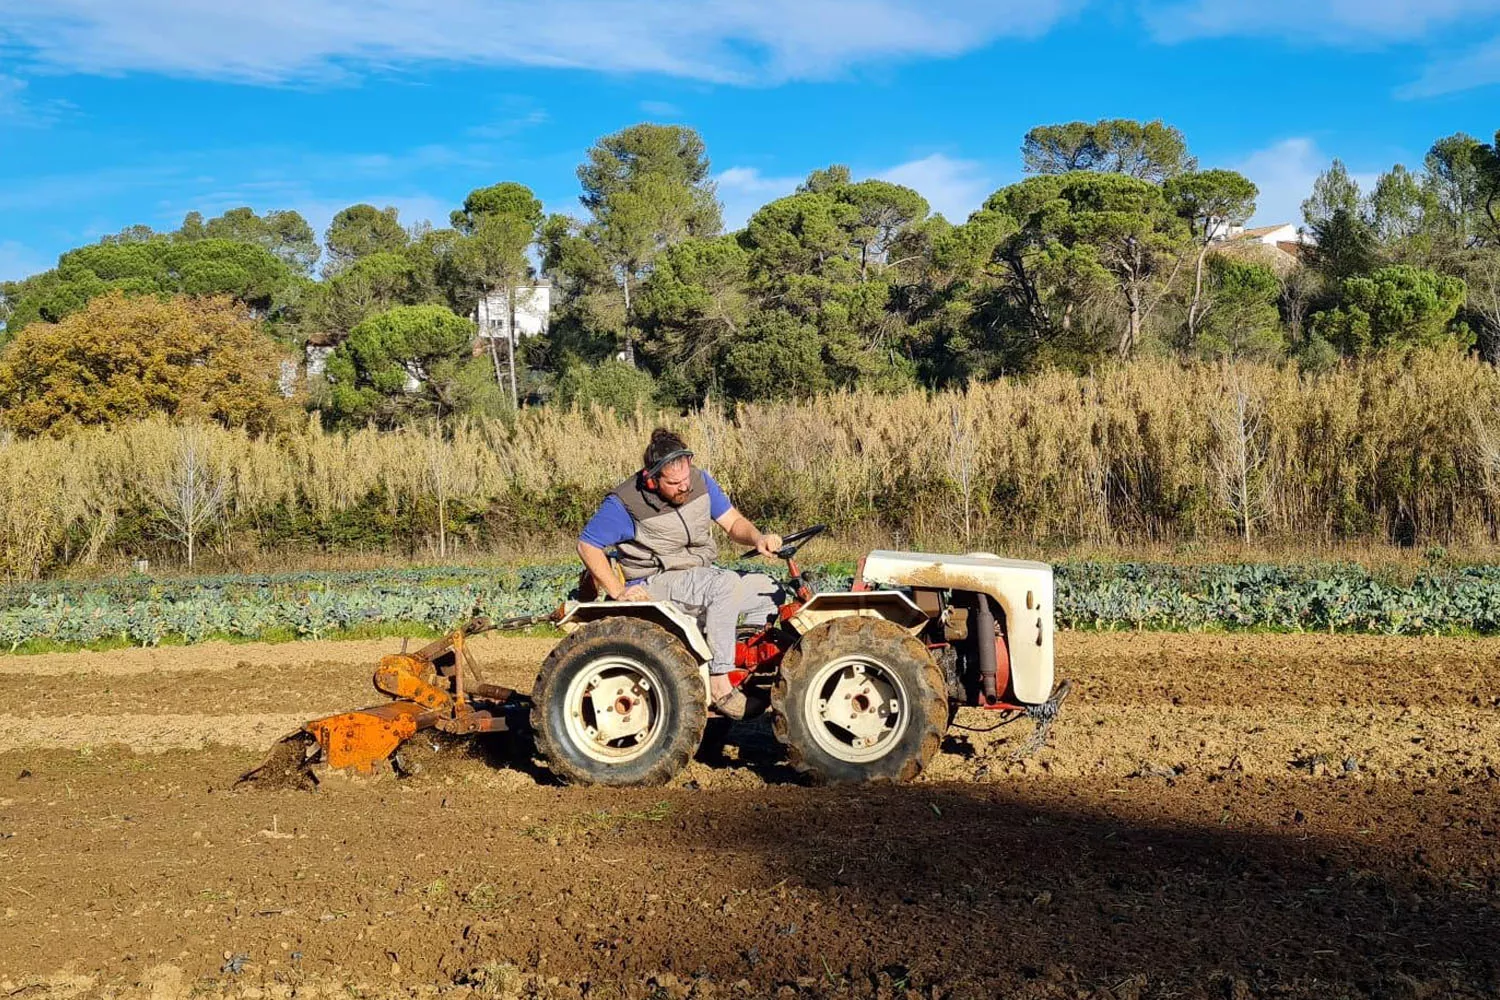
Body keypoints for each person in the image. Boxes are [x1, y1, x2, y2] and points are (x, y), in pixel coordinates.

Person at [577, 428, 784, 719]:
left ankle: (743, 670)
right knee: (723, 586)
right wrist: (618, 591)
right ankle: (720, 684)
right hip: (656, 580)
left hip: (701, 574)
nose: (683, 487)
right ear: (652, 480)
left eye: (686, 479)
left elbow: (733, 522)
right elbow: (588, 544)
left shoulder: (700, 482)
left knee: (769, 589)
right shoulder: (625, 503)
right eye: (674, 483)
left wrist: (757, 537)